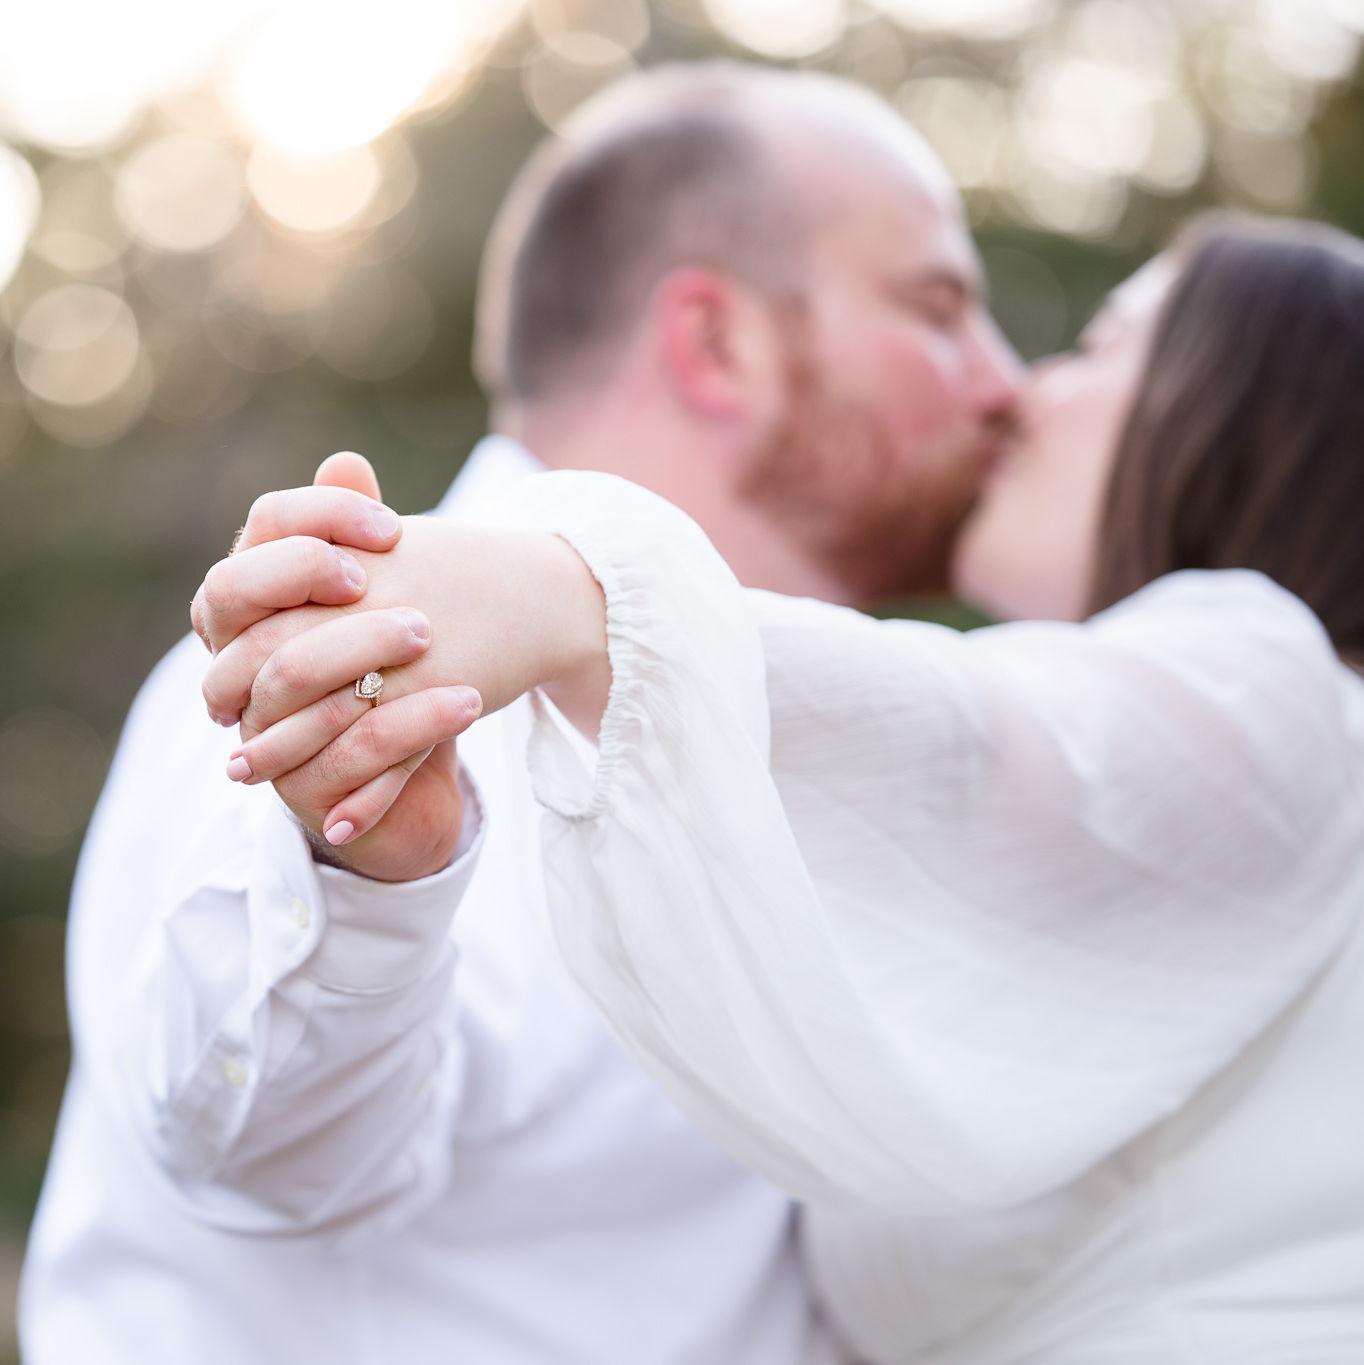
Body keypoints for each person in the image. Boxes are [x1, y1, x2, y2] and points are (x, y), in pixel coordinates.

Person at [196, 214, 1364, 1364]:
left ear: (1238, 420)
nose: (1018, 394)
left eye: (1099, 349)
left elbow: (974, 746)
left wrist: (572, 598)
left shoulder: (1279, 689)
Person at [19, 62, 1020, 1365]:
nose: (1006, 382)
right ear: (717, 345)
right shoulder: (365, 665)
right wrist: (369, 875)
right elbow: (270, 1155)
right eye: (939, 306)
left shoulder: (834, 732)